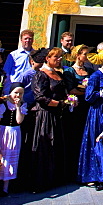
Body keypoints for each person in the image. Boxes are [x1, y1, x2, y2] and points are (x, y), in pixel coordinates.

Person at [30, 49, 73, 192]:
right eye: (56, 57)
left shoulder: (59, 73)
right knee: (46, 146)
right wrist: (59, 103)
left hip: (59, 115)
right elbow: (40, 97)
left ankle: (56, 178)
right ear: (47, 58)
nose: (59, 59)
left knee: (57, 146)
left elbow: (65, 92)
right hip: (45, 115)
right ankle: (42, 181)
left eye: (60, 57)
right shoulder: (40, 75)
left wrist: (70, 101)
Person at [79, 49, 103, 187]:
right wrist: (101, 93)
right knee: (96, 140)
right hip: (97, 111)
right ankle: (93, 174)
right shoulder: (95, 76)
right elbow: (88, 97)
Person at [0, 85, 26, 196]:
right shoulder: (3, 106)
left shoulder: (22, 106)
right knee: (0, 159)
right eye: (16, 92)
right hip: (3, 133)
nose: (18, 95)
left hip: (15, 133)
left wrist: (17, 107)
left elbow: (19, 120)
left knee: (11, 159)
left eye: (20, 93)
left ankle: (5, 188)